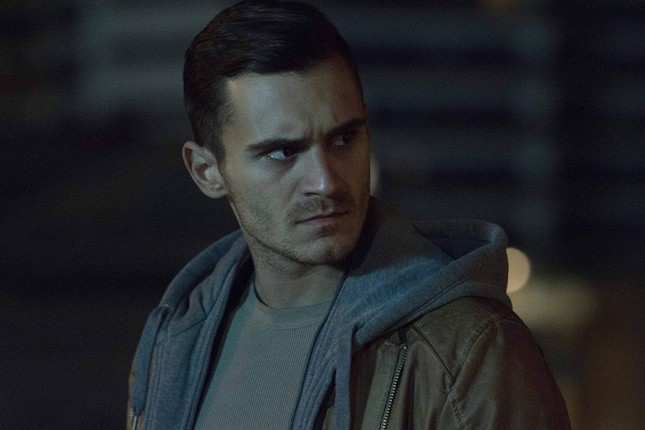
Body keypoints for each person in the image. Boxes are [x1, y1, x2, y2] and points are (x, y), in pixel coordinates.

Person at [127, 1, 571, 429]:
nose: (325, 181)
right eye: (282, 153)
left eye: (343, 139)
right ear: (207, 172)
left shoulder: (467, 353)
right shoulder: (177, 342)